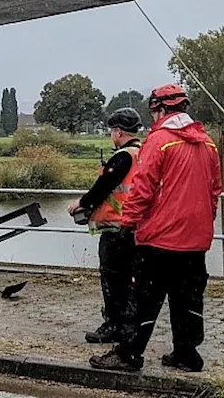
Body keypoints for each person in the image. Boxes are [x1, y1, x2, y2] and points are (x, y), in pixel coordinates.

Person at [90, 84, 221, 373]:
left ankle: (127, 355)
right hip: (196, 240)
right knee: (187, 299)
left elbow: (142, 189)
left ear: (159, 109)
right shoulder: (208, 143)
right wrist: (203, 224)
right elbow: (214, 191)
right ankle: (187, 354)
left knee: (144, 299)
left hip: (160, 238)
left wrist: (129, 224)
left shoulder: (159, 141)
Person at [69, 107, 144, 344]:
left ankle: (113, 325)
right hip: (137, 228)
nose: (111, 134)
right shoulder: (144, 154)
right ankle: (129, 326)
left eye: (112, 130)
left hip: (116, 228)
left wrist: (80, 204)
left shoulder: (122, 157)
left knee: (112, 278)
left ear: (119, 131)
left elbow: (103, 187)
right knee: (131, 280)